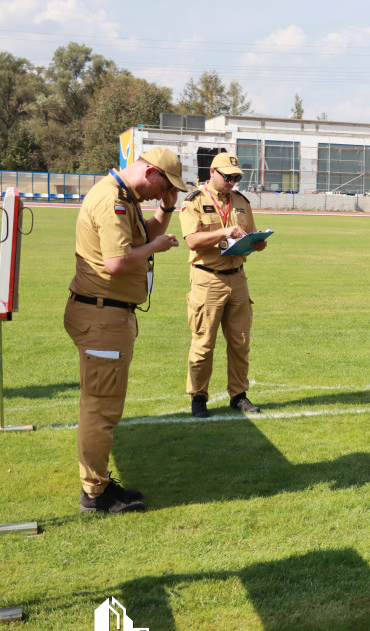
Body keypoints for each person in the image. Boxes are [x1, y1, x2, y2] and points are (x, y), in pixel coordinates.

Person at [64, 147, 185, 513]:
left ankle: (97, 485)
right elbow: (116, 262)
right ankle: (95, 494)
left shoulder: (124, 196)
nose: (163, 193)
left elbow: (143, 232)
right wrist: (156, 248)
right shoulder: (112, 200)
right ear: (150, 172)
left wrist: (166, 208)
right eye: (165, 185)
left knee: (101, 405)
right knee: (100, 409)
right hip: (103, 317)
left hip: (107, 314)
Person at [181, 152, 267, 419]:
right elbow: (192, 241)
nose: (232, 182)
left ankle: (238, 395)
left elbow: (250, 233)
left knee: (240, 342)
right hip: (208, 278)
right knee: (204, 342)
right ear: (212, 173)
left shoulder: (241, 202)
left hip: (238, 277)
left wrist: (258, 243)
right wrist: (223, 232)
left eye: (236, 178)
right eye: (227, 177)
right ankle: (198, 397)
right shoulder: (194, 201)